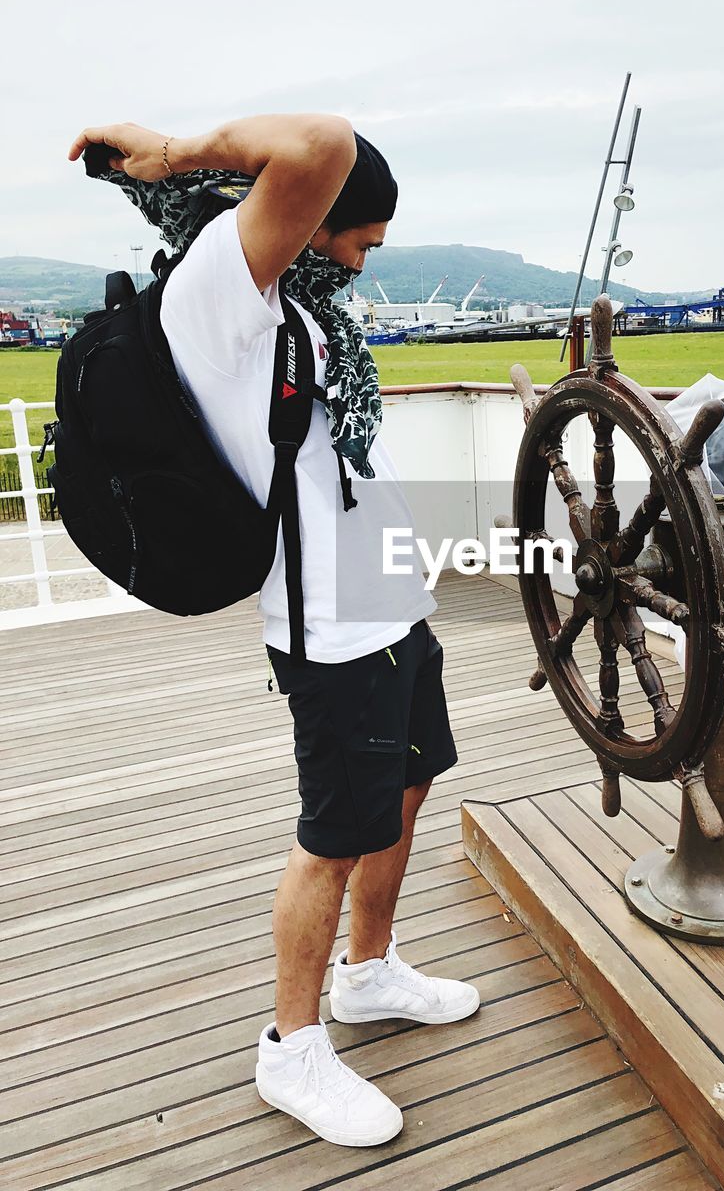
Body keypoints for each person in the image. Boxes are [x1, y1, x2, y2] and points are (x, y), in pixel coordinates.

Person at [67, 115, 479, 1148]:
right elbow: (318, 144)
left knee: (409, 783)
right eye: (359, 239)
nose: (362, 259)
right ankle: (289, 1046)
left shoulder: (302, 304)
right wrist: (168, 154)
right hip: (327, 626)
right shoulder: (225, 291)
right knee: (332, 837)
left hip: (386, 602)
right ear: (311, 221)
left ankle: (369, 973)